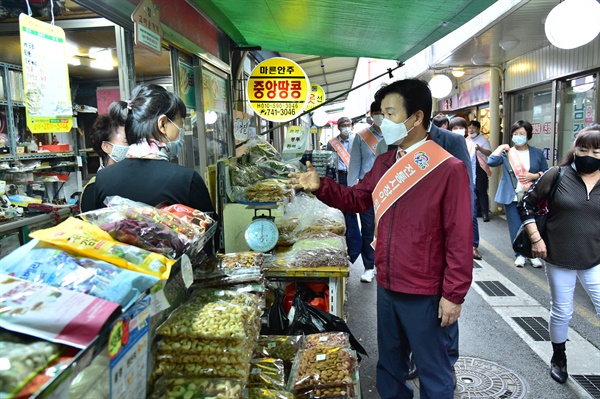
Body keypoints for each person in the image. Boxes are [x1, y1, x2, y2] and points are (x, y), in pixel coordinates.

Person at [291, 79, 473, 399]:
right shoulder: (385, 162)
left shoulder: (448, 168)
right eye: (381, 115)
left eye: (390, 113)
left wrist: (453, 295)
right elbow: (357, 199)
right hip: (388, 285)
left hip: (426, 291)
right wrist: (320, 185)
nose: (382, 122)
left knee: (434, 371)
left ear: (416, 117)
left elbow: (459, 237)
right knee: (389, 366)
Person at [518, 124, 600, 385]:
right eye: (583, 148)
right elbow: (526, 204)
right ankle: (559, 357)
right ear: (574, 149)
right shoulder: (558, 174)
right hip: (558, 256)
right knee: (562, 311)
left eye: (597, 151)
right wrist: (536, 238)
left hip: (594, 258)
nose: (589, 154)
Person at [81, 84, 214, 214]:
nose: (181, 132)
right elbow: (209, 231)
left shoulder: (103, 179)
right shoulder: (187, 180)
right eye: (180, 125)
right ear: (162, 124)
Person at [489, 120, 548, 268]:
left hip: (532, 195)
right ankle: (520, 254)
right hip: (512, 195)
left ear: (528, 136)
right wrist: (501, 147)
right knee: (515, 226)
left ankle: (532, 254)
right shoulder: (507, 153)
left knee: (532, 225)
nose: (518, 136)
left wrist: (533, 176)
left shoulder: (537, 153)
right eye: (515, 134)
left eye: (521, 133)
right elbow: (491, 161)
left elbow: (545, 172)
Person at [348, 100, 384, 283]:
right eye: (376, 112)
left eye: (383, 111)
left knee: (390, 228)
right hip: (368, 189)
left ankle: (386, 264)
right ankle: (369, 266)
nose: (380, 115)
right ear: (371, 114)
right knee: (368, 229)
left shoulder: (398, 135)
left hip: (391, 188)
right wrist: (350, 190)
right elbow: (355, 163)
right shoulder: (362, 136)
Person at [327, 116, 361, 264]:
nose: (346, 127)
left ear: (352, 126)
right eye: (343, 125)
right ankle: (341, 247)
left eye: (348, 124)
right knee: (339, 211)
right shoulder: (332, 143)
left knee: (351, 211)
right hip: (340, 178)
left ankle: (353, 250)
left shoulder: (358, 140)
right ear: (339, 127)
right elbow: (329, 162)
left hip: (354, 178)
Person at [80, 113, 128, 212]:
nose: (132, 145)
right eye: (126, 141)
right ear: (106, 146)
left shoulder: (136, 177)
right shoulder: (94, 187)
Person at [449, 117, 481, 260]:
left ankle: (474, 245)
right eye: (455, 128)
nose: (458, 131)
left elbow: (472, 166)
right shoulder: (447, 143)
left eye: (461, 127)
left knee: (472, 214)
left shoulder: (470, 145)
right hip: (451, 185)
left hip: (468, 183)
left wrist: (471, 184)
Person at [467, 120, 492, 221]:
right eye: (469, 128)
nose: (471, 130)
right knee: (472, 190)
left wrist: (479, 149)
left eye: (473, 128)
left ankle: (485, 213)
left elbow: (489, 153)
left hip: (480, 169)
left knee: (482, 190)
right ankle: (476, 212)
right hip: (469, 168)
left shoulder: (483, 140)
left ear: (478, 129)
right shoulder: (466, 139)